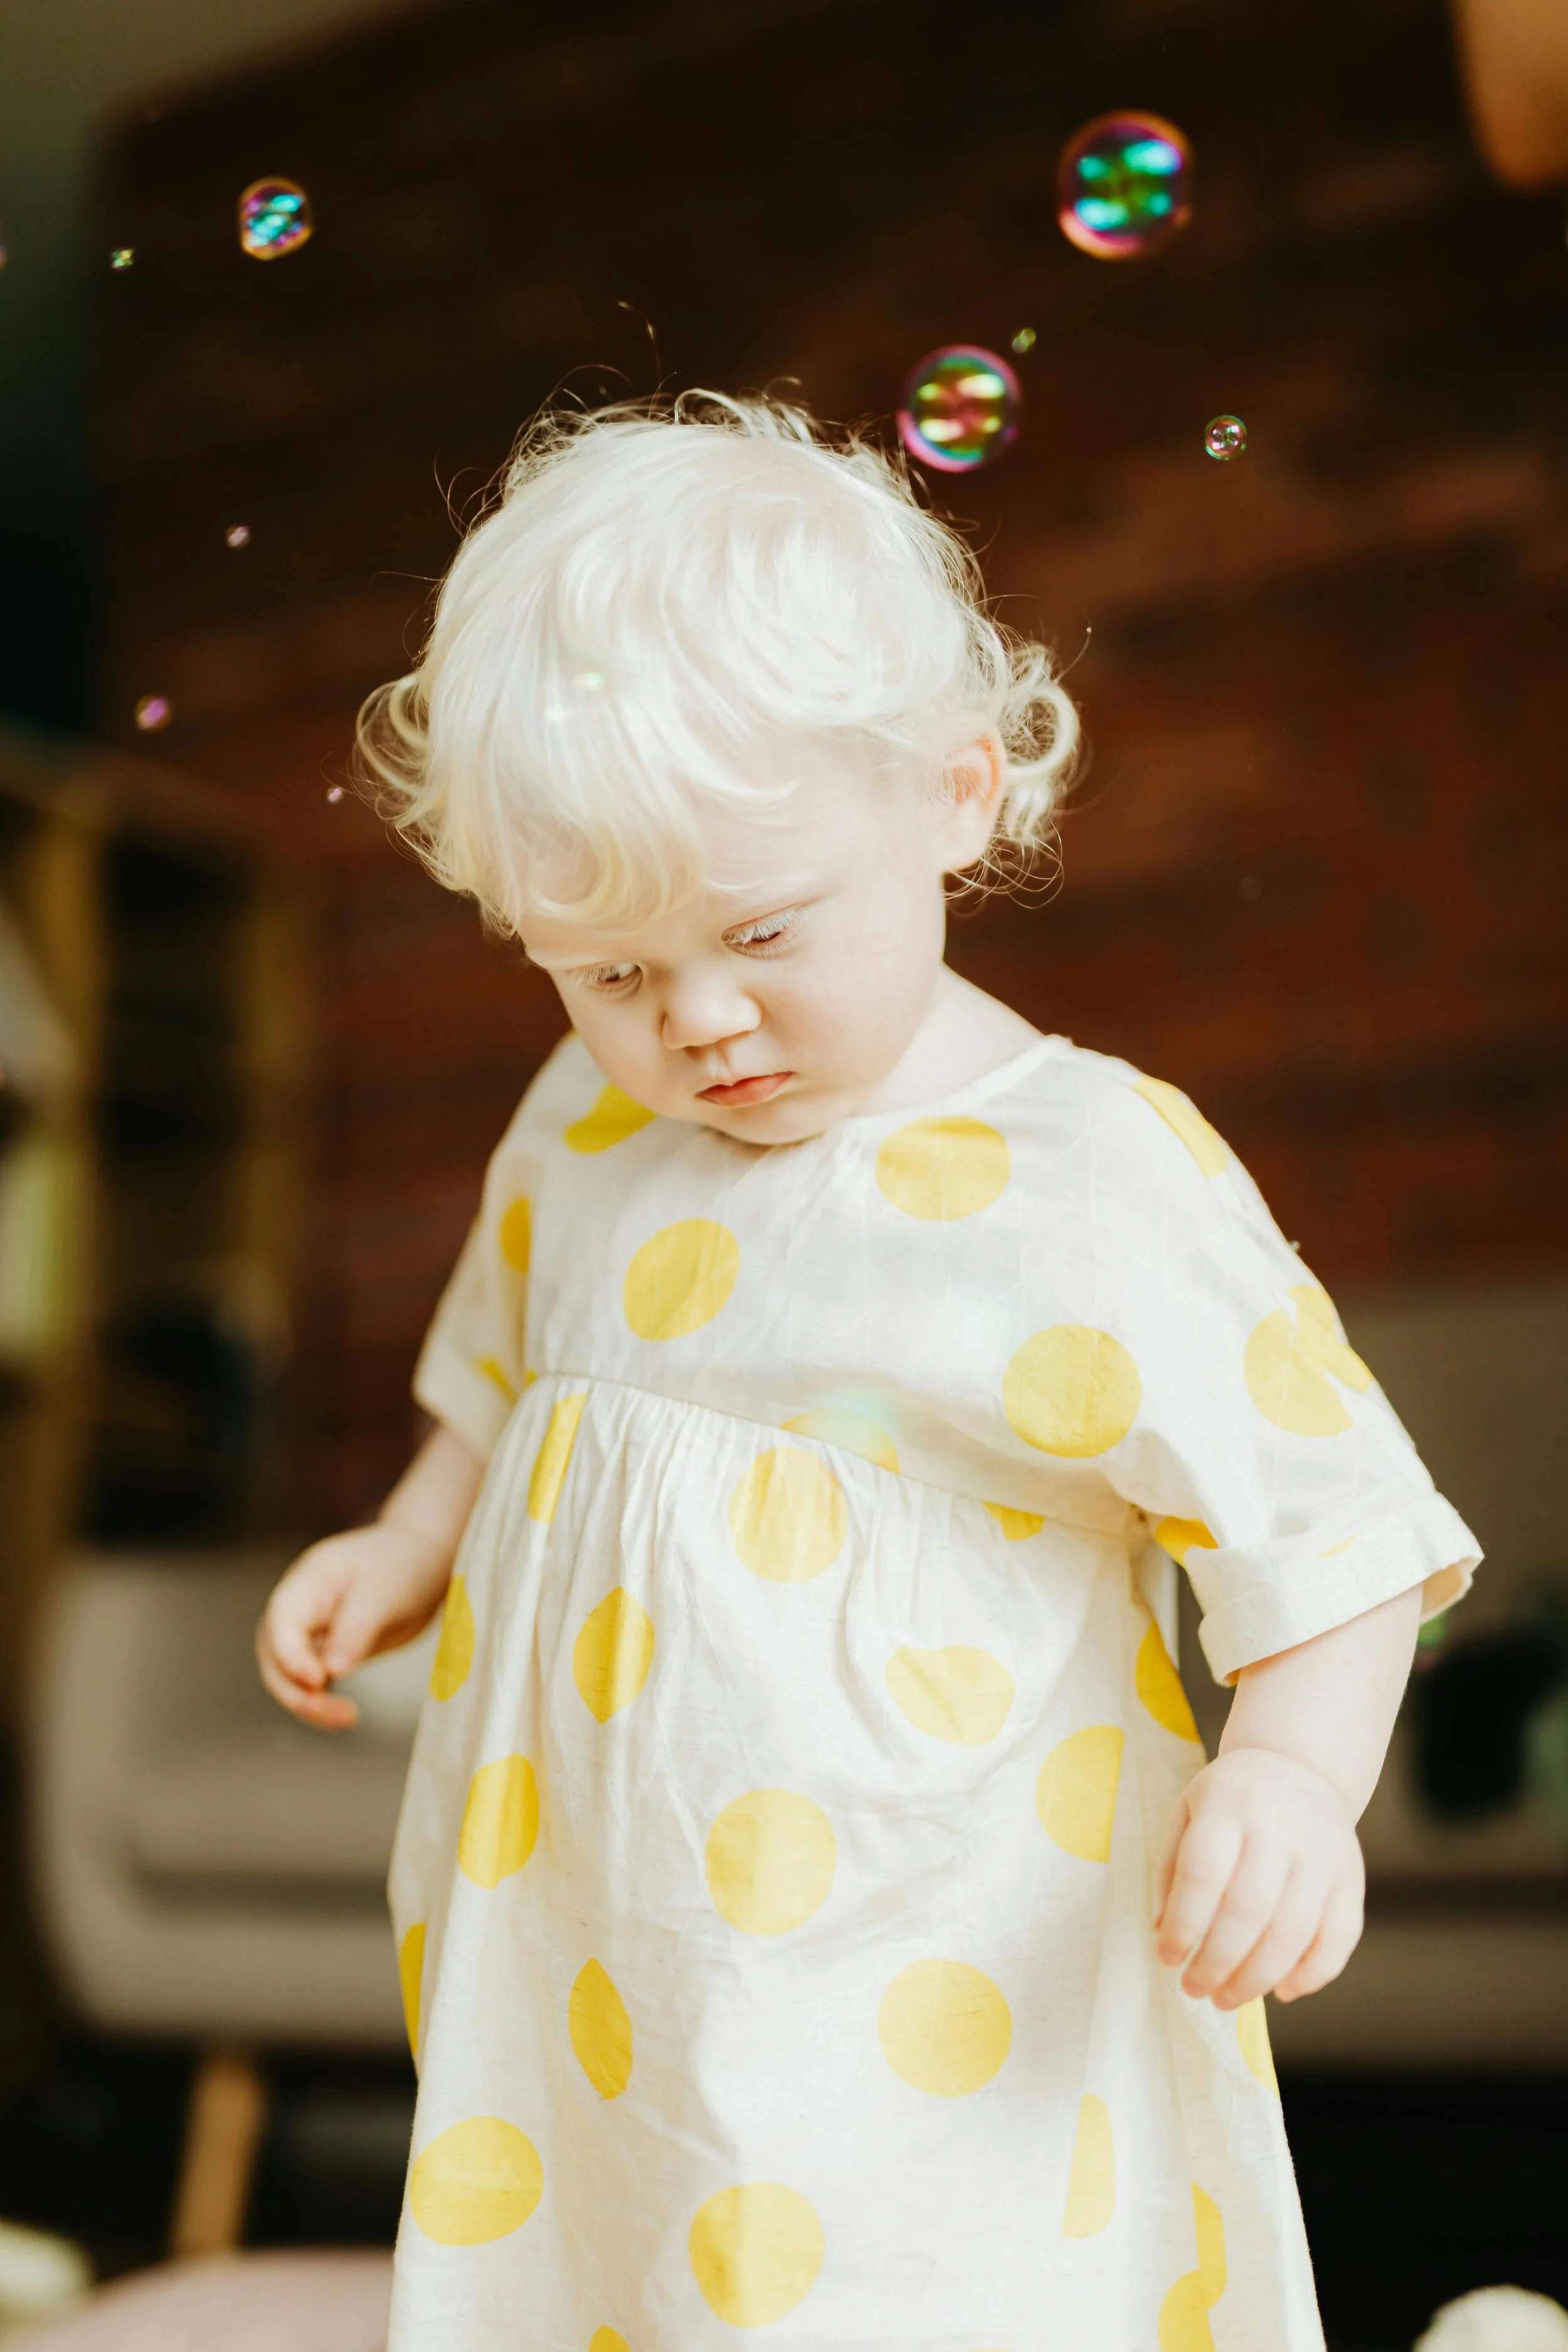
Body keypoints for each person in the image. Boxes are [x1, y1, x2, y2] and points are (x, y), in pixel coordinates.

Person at [257, 394, 1478, 2351]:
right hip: (601, 1927)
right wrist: (409, 1538)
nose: (701, 1022)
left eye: (758, 931)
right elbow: (504, 1365)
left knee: (915, 2291)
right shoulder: (584, 1115)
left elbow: (1326, 1535)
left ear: (951, 795)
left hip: (924, 1956)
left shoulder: (1093, 1178)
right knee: (611, 2256)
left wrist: (1290, 1778)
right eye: (613, 967)